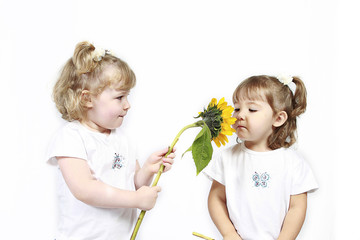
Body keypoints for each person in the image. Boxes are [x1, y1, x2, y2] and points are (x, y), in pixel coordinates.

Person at [46, 41, 175, 240]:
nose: (128, 105)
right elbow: (85, 189)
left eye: (127, 96)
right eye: (119, 97)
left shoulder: (122, 140)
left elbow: (131, 184)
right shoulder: (72, 137)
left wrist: (148, 169)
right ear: (87, 99)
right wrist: (136, 199)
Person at [205, 75, 318, 240]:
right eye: (237, 108)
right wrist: (228, 233)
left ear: (278, 118)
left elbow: (297, 207)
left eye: (251, 109)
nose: (239, 115)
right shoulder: (227, 157)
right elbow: (216, 198)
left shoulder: (293, 163)